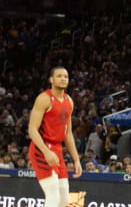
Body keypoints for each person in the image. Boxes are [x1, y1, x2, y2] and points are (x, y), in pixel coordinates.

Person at [27, 67, 82, 207]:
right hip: (42, 149)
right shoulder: (44, 98)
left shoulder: (69, 101)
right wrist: (46, 152)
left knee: (64, 200)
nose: (63, 78)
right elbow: (32, 130)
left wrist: (76, 160)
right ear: (51, 80)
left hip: (57, 149)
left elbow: (68, 133)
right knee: (53, 196)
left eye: (66, 76)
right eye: (59, 76)